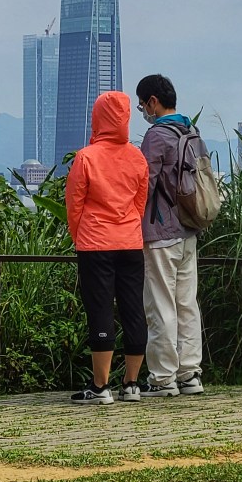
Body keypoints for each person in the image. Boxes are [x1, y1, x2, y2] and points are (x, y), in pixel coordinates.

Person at [65, 90, 149, 404]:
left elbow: (74, 204)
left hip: (95, 243)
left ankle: (101, 388)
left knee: (100, 309)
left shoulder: (86, 157)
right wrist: (128, 227)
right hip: (130, 242)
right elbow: (140, 202)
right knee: (133, 308)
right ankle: (132, 384)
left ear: (97, 118)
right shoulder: (137, 157)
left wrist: (81, 235)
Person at [135, 73, 204, 397]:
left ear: (152, 102)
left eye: (141, 104)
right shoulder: (192, 130)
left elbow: (144, 185)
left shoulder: (156, 136)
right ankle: (190, 375)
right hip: (190, 229)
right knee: (187, 304)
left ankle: (163, 379)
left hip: (161, 233)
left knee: (161, 304)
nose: (142, 110)